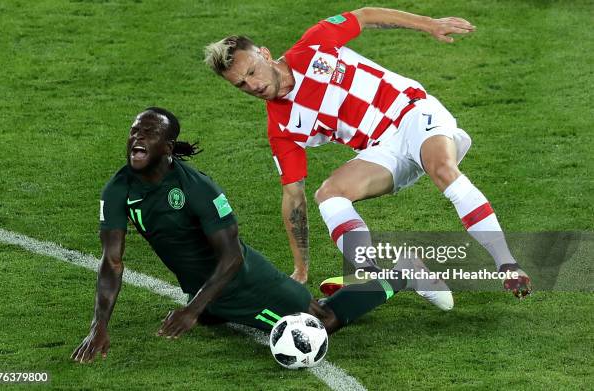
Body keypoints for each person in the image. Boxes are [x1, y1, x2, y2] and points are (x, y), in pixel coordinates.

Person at [204, 7, 532, 298]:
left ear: (264, 53)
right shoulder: (282, 128)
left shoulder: (315, 45)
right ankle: (372, 275)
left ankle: (507, 263)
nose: (253, 85)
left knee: (443, 169)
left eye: (251, 72)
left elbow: (365, 16)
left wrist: (429, 24)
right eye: (241, 85)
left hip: (412, 113)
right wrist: (300, 269)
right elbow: (293, 197)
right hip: (382, 150)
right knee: (329, 194)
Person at [71, 107, 436, 364]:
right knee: (211, 315)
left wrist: (192, 310)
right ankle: (209, 306)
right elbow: (112, 262)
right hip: (203, 283)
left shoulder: (197, 189)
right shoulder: (118, 190)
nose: (137, 137)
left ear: (166, 148)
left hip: (242, 277)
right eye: (135, 130)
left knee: (318, 321)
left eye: (148, 133)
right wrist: (98, 327)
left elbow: (233, 258)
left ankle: (402, 272)